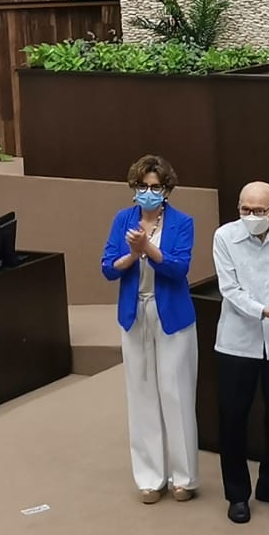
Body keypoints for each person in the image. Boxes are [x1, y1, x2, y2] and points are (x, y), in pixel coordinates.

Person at [100, 155, 199, 504]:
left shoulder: (182, 222)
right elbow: (108, 268)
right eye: (143, 187)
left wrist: (149, 249)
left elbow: (179, 268)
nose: (148, 192)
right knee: (141, 393)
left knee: (176, 393)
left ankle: (183, 477)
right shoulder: (122, 219)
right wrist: (131, 255)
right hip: (134, 313)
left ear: (167, 190)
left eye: (156, 187)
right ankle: (149, 477)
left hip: (171, 315)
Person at [212, 181, 269, 524]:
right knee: (233, 418)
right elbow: (230, 290)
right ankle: (237, 495)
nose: (251, 216)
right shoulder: (225, 236)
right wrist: (265, 311)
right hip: (238, 342)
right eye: (245, 209)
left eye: (258, 210)